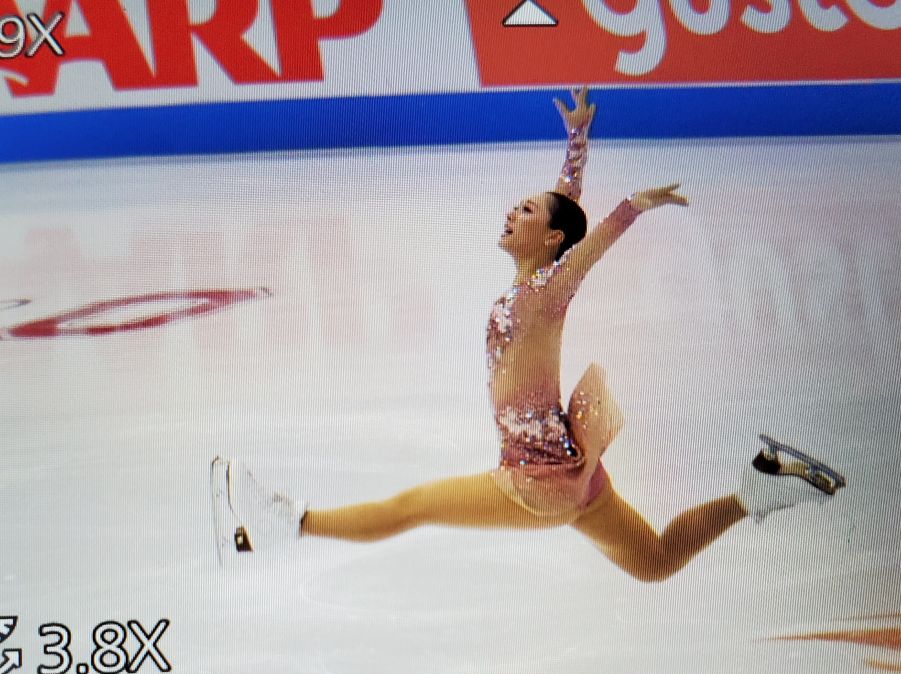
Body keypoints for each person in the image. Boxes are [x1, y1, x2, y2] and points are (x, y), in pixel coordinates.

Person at [212, 89, 845, 582]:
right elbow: (566, 210)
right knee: (652, 561)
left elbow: (586, 246)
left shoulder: (547, 291)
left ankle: (289, 525)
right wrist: (578, 144)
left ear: (548, 239)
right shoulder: (534, 281)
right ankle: (758, 490)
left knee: (415, 507)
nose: (512, 212)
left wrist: (633, 205)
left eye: (526, 211)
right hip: (569, 468)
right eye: (517, 205)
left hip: (537, 482)